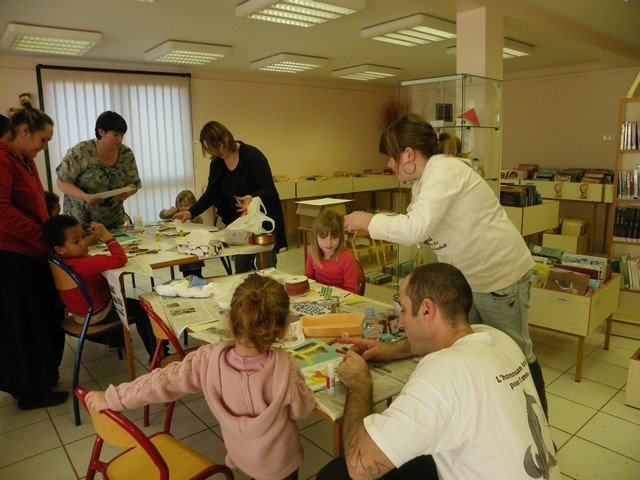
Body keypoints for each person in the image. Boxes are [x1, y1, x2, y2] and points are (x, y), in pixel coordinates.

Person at [343, 113, 547, 416]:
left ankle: (539, 427)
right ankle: (497, 414)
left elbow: (415, 228)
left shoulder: (445, 171)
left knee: (515, 354)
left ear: (408, 155)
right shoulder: (424, 183)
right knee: (477, 352)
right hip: (473, 280)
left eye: (391, 156)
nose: (389, 165)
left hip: (500, 277)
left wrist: (367, 220)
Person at [318, 263, 559, 480]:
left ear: (426, 310)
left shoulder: (443, 372)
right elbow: (448, 339)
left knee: (334, 474)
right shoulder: (498, 338)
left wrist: (359, 381)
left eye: (403, 310)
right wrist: (390, 350)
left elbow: (359, 466)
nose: (400, 323)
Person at [84, 273, 316, 480]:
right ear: (283, 330)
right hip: (280, 462)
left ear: (229, 320)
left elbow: (161, 382)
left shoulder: (207, 359)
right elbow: (301, 410)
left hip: (242, 456)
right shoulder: (286, 367)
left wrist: (115, 396)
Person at [0, 107, 67, 410]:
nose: (45, 146)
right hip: (14, 256)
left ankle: (42, 378)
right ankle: (31, 390)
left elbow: (37, 201)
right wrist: (40, 235)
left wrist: (50, 232)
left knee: (43, 318)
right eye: (43, 138)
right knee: (26, 324)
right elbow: (3, 213)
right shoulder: (2, 158)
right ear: (24, 131)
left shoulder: (25, 159)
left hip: (33, 250)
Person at [173, 121, 287, 273]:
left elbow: (269, 189)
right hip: (239, 226)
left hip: (262, 223)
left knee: (266, 268)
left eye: (216, 146)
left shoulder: (253, 156)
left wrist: (252, 198)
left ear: (226, 137)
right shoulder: (216, 164)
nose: (216, 152)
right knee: (241, 269)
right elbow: (211, 194)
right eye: (210, 150)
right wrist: (190, 212)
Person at [43, 215, 156, 358]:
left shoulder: (58, 261)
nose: (84, 243)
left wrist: (83, 251)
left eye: (83, 237)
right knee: (145, 309)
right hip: (99, 315)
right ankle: (157, 356)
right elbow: (120, 259)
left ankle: (115, 338)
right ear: (60, 249)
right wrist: (106, 235)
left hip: (81, 314)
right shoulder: (82, 264)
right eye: (76, 241)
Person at [55, 111, 140, 230]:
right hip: (80, 224)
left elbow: (134, 184)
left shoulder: (126, 153)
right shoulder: (81, 151)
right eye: (115, 135)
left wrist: (127, 192)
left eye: (122, 135)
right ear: (101, 132)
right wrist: (85, 197)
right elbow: (61, 182)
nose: (120, 139)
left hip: (113, 223)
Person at [305, 210, 358, 294]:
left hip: (340, 301)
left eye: (334, 237)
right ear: (315, 237)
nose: (329, 242)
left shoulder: (347, 259)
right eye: (323, 237)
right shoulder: (312, 255)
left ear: (341, 237)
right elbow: (308, 282)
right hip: (318, 298)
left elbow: (352, 291)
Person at [160, 189, 204, 277]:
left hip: (194, 251)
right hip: (182, 249)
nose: (183, 208)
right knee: (187, 275)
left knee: (195, 274)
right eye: (180, 206)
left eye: (186, 205)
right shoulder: (177, 215)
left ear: (193, 205)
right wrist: (167, 212)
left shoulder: (196, 217)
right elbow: (161, 215)